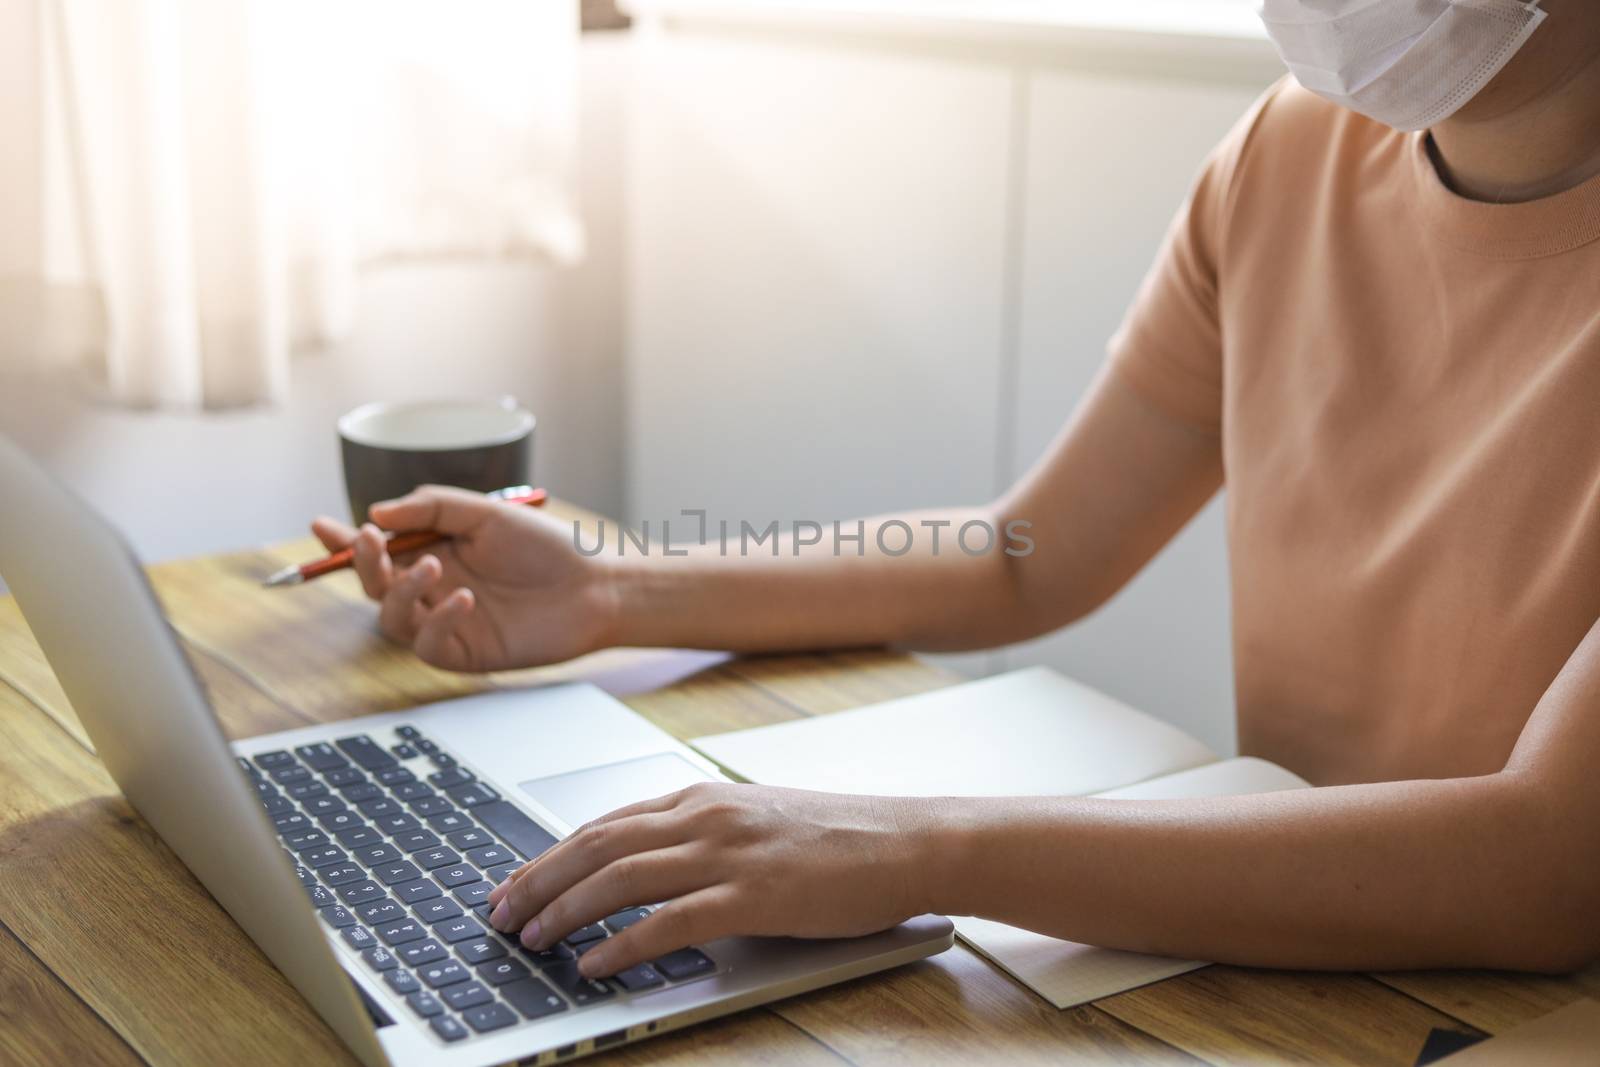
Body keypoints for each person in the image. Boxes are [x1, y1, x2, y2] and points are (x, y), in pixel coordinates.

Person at [311, 0, 1600, 982]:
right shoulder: (1292, 152)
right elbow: (1026, 553)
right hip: (1265, 962)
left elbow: (1544, 871)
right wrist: (615, 591)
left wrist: (918, 847)